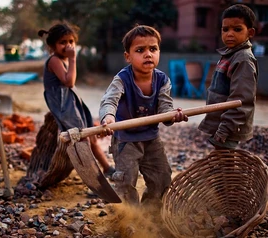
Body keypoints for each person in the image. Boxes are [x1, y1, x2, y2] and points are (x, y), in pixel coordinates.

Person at [99, 25, 188, 207]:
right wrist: (108, 117)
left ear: (159, 52)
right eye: (140, 50)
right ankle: (129, 219)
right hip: (126, 140)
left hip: (151, 139)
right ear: (128, 57)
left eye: (153, 49)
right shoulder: (122, 79)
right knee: (126, 181)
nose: (148, 54)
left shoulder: (163, 80)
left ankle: (150, 214)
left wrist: (171, 116)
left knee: (162, 177)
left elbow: (165, 108)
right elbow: (109, 100)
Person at [38, 22, 115, 177]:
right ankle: (93, 174)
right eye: (62, 42)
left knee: (90, 136)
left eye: (71, 42)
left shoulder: (64, 59)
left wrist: (71, 60)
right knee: (81, 140)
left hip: (71, 102)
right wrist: (73, 59)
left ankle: (106, 167)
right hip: (63, 105)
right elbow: (69, 81)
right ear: (52, 46)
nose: (68, 46)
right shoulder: (54, 61)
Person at [198, 4, 258, 150]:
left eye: (237, 29)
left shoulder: (243, 59)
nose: (229, 34)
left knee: (226, 166)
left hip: (229, 128)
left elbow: (241, 100)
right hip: (222, 124)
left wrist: (225, 129)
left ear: (250, 32)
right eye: (225, 29)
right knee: (221, 165)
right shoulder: (230, 55)